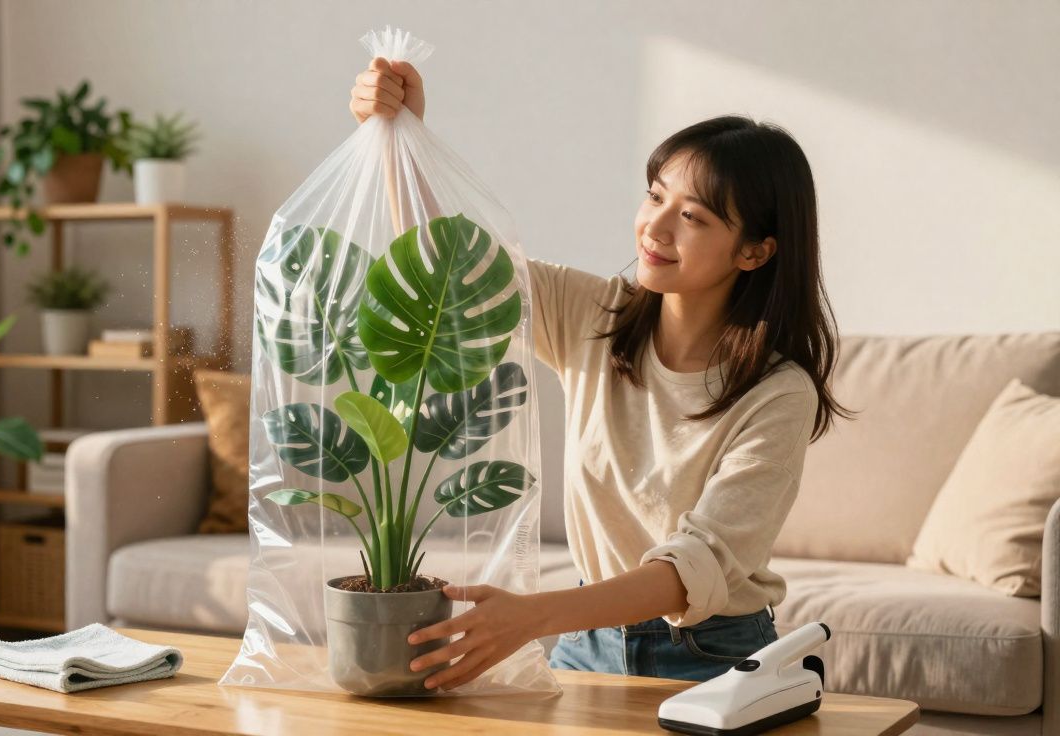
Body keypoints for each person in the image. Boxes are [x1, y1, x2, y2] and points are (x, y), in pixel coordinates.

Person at [349, 57, 853, 690]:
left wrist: (530, 617)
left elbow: (692, 567)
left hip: (712, 658)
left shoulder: (777, 393)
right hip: (583, 647)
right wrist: (402, 135)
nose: (656, 227)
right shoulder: (594, 315)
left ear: (754, 250)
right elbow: (451, 274)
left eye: (693, 217)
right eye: (654, 196)